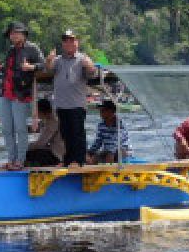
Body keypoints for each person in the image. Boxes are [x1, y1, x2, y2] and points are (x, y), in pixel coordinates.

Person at [43, 30, 98, 167]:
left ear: (77, 43)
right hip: (61, 104)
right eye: (66, 41)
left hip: (77, 104)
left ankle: (79, 160)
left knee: (77, 134)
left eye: (71, 40)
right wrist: (48, 60)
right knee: (65, 134)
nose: (69, 43)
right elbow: (48, 69)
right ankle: (68, 160)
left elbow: (92, 75)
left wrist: (90, 66)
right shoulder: (58, 60)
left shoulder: (82, 59)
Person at [0, 21, 44, 170]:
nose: (13, 36)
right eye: (11, 34)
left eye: (16, 33)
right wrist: (0, 68)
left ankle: (20, 160)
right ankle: (11, 158)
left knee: (21, 128)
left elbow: (43, 65)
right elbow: (9, 70)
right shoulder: (11, 50)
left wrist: (31, 67)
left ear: (24, 34)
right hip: (5, 93)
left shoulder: (32, 48)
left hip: (21, 94)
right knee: (6, 128)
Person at [25, 97, 65, 167]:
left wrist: (25, 147)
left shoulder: (52, 121)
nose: (35, 114)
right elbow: (36, 128)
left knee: (27, 153)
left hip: (57, 155)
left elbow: (40, 143)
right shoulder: (51, 116)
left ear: (42, 112)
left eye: (37, 112)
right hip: (55, 151)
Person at [87, 100, 130, 164]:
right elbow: (98, 142)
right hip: (107, 151)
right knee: (93, 155)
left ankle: (110, 171)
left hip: (122, 151)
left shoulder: (120, 125)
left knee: (111, 152)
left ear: (110, 112)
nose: (100, 113)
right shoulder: (101, 125)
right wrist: (89, 153)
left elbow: (114, 144)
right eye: (100, 111)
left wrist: (105, 153)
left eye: (103, 111)